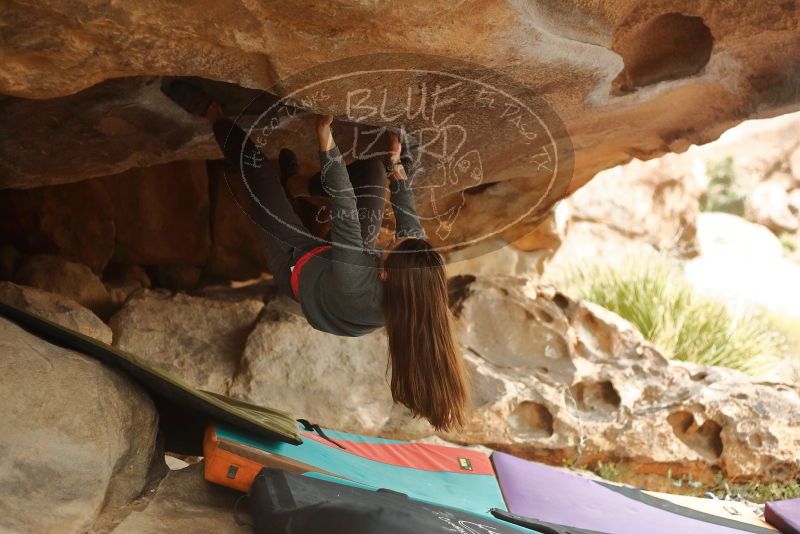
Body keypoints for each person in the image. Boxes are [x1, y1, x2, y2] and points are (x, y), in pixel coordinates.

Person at [166, 79, 469, 431]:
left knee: (259, 173)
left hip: (298, 265)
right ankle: (300, 187)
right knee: (372, 171)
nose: (395, 239)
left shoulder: (358, 278)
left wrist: (325, 138)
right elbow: (412, 233)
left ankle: (211, 114)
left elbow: (346, 208)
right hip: (339, 270)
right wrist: (397, 169)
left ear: (384, 274)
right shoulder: (415, 292)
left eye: (392, 249)